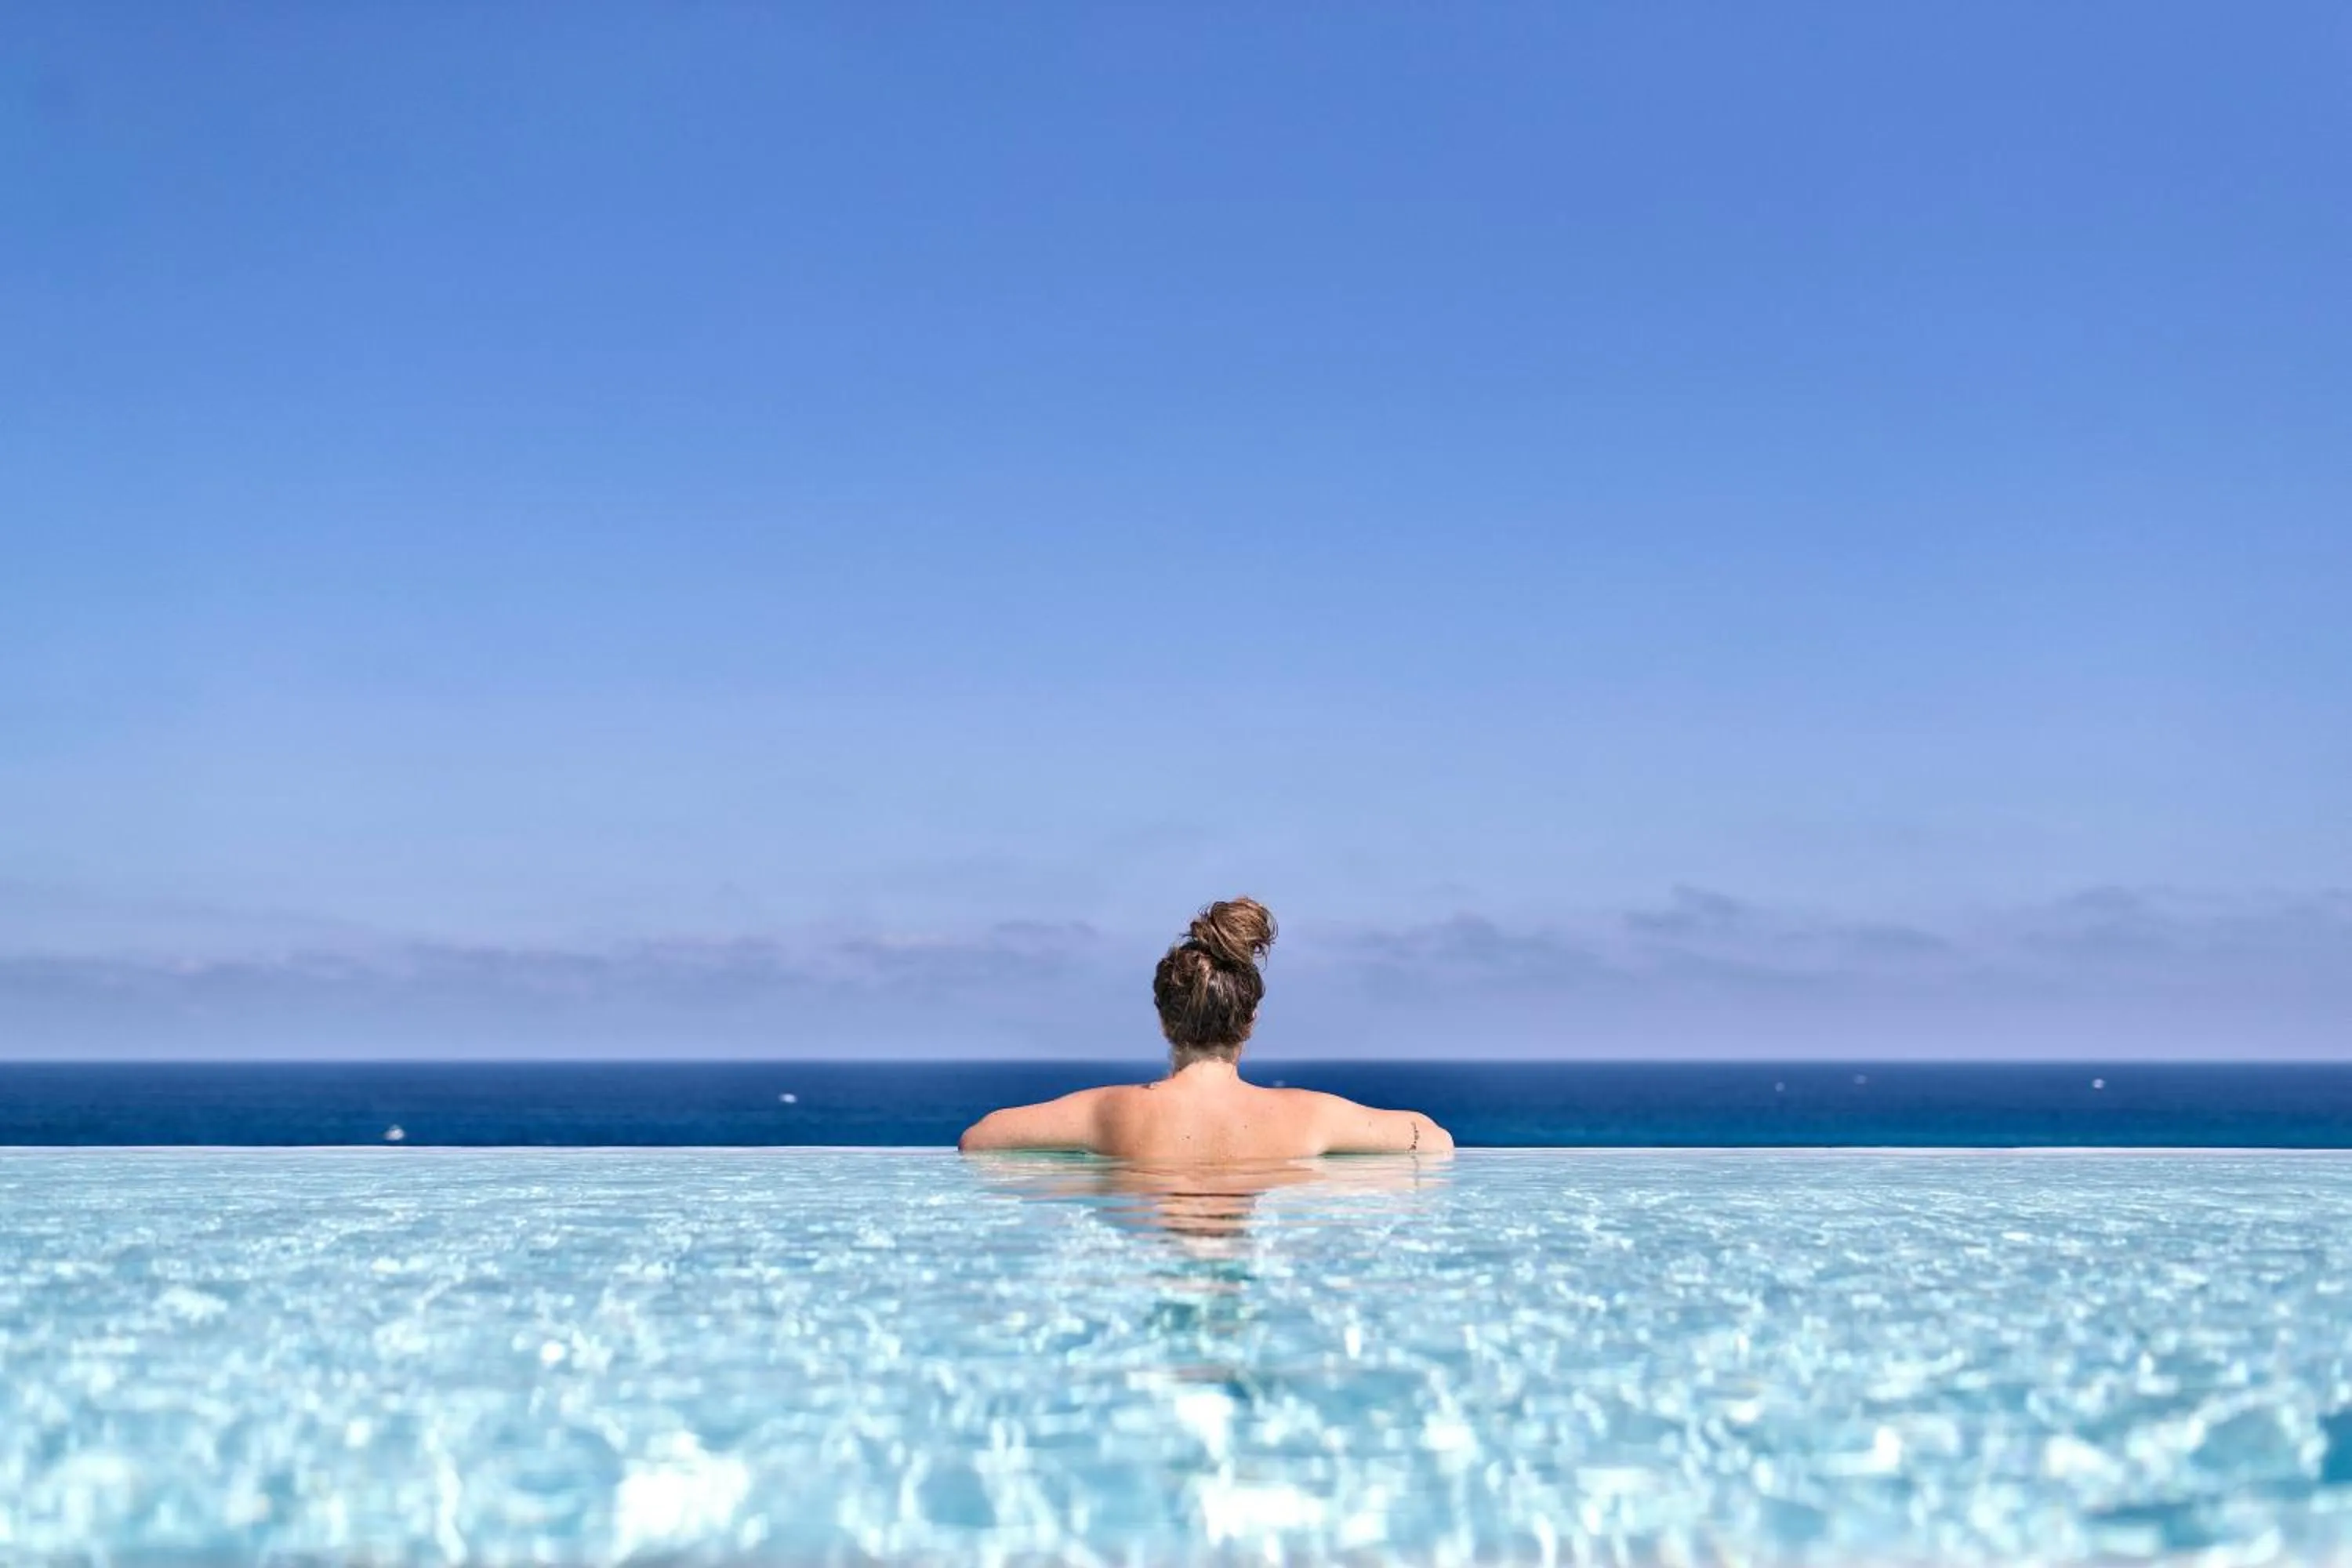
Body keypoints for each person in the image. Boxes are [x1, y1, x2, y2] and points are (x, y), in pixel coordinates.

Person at [957, 898, 1455, 1159]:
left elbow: (979, 1138)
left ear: (1163, 1020)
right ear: (1250, 1022)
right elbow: (1434, 1140)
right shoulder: (1310, 1116)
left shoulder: (1108, 1112)